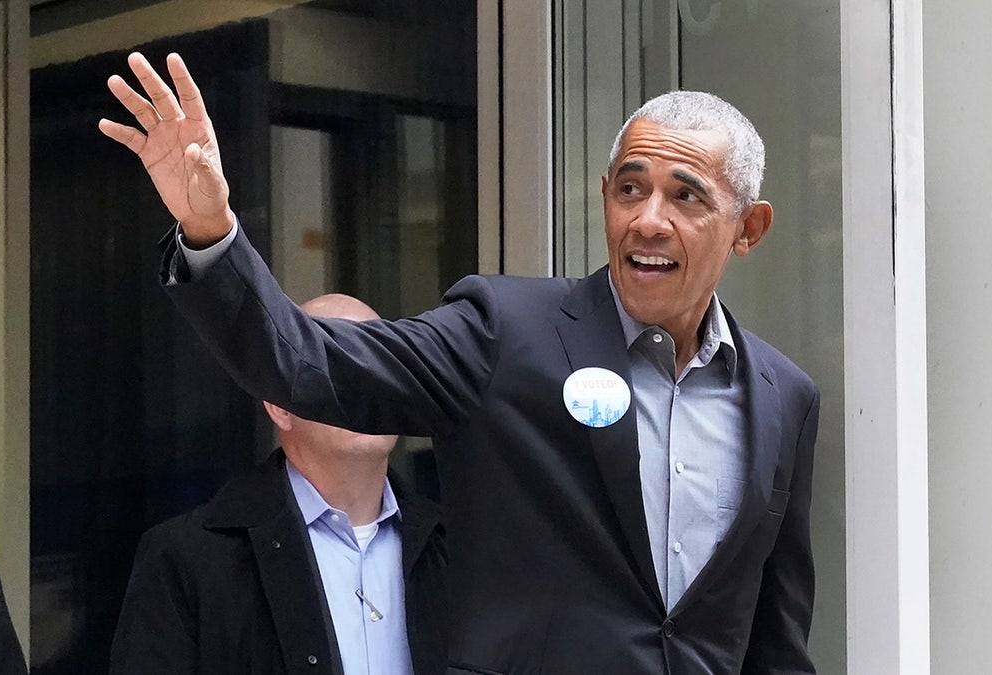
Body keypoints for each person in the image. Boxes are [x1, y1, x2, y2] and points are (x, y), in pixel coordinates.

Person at [100, 52, 820, 674]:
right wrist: (209, 232)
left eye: (686, 195)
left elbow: (772, 639)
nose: (648, 218)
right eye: (631, 188)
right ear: (606, 197)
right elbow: (310, 361)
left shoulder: (784, 397)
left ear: (748, 227)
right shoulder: (507, 332)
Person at [108, 293, 448, 675]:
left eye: (383, 364)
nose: (367, 383)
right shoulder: (186, 559)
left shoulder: (458, 548)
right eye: (337, 363)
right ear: (280, 406)